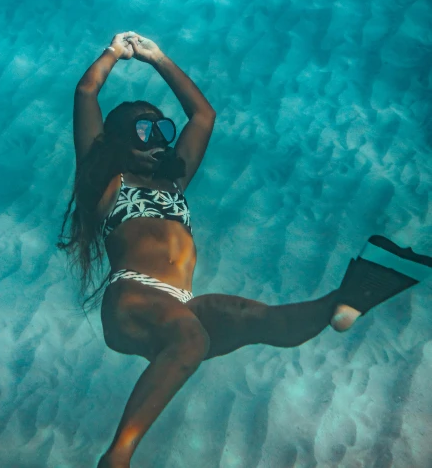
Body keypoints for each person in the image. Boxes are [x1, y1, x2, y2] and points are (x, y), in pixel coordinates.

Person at [58, 31, 432, 468]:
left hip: (179, 304)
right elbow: (87, 92)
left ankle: (348, 297)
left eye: (163, 128)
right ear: (119, 141)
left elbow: (203, 115)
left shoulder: (174, 183)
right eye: (145, 130)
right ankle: (117, 458)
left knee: (260, 320)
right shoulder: (106, 183)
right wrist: (115, 53)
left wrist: (159, 57)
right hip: (133, 298)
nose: (158, 138)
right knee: (190, 336)